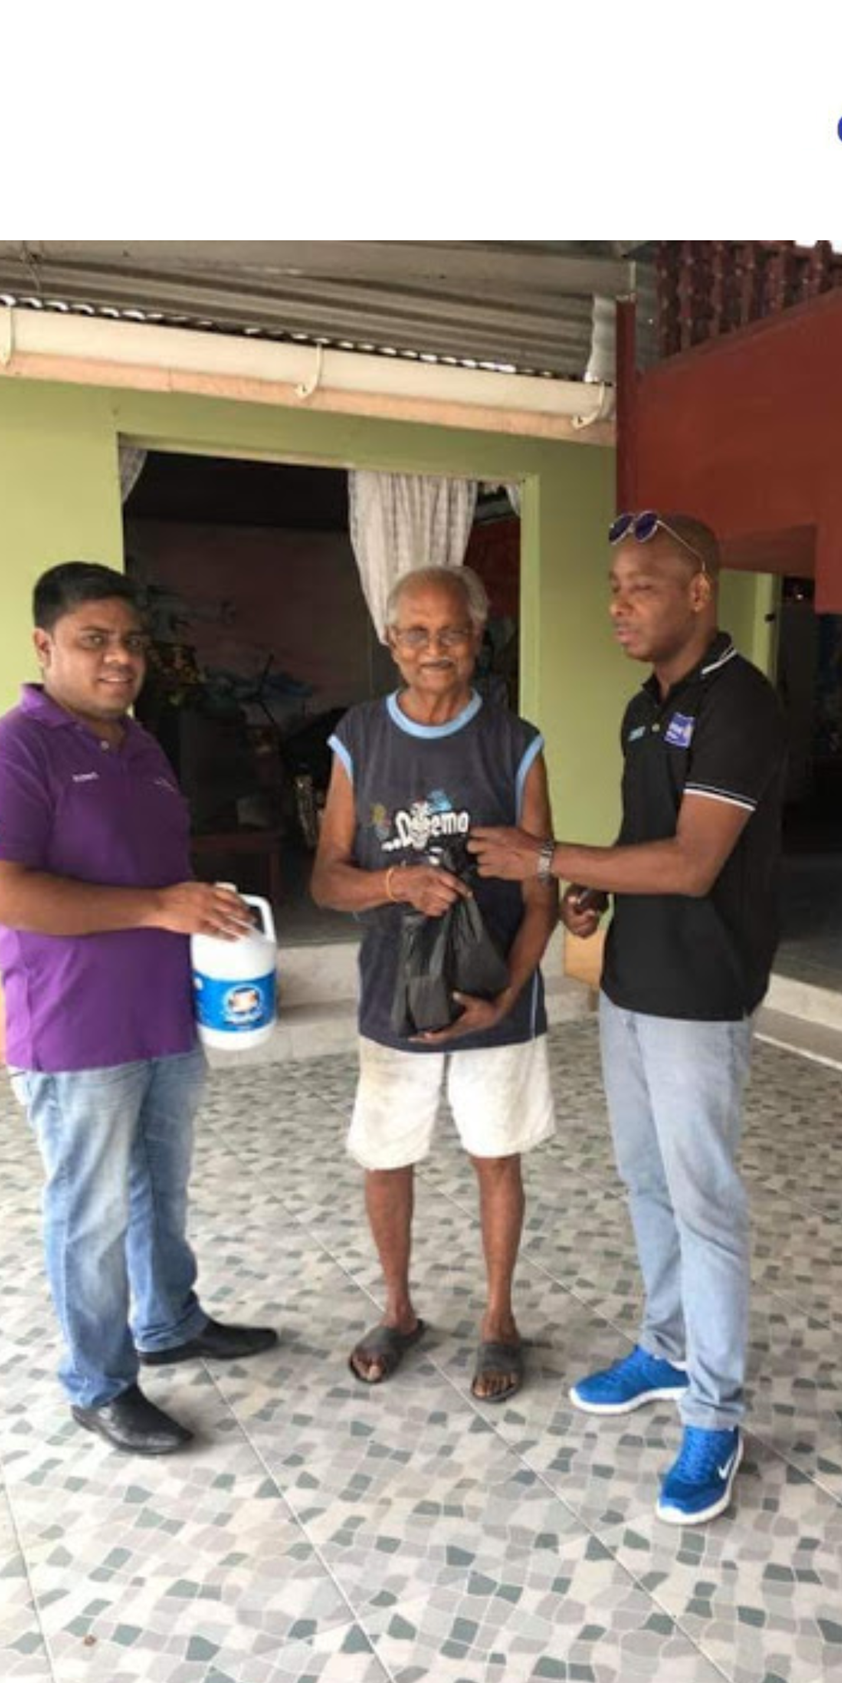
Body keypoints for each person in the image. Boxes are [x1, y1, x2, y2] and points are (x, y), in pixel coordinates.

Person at [469, 512, 783, 1524]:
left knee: (705, 1202)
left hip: (702, 993)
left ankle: (716, 1413)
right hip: (633, 982)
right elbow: (650, 838)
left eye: (641, 585)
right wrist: (595, 887)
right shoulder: (644, 708)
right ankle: (669, 1345)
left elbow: (692, 864)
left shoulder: (740, 703)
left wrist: (545, 859)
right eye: (614, 586)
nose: (619, 604)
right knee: (647, 1182)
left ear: (700, 592)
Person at [0, 561, 281, 1456]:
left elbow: (155, 876)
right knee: (91, 1212)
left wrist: (203, 915)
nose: (119, 658)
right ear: (44, 645)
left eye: (131, 641)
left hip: (163, 1017)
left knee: (158, 1188)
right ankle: (98, 1384)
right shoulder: (13, 751)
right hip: (75, 1030)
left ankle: (170, 1321)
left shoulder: (139, 747)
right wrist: (156, 907)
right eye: (93, 640)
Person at [312, 564, 559, 1402]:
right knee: (386, 1158)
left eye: (451, 631)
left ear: (478, 637)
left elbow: (542, 892)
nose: (433, 648)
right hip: (394, 993)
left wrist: (508, 995)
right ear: (390, 640)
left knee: (496, 1158)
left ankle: (498, 1320)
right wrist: (396, 884)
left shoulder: (515, 743)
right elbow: (326, 881)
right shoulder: (358, 737)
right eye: (415, 633)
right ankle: (398, 1310)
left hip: (496, 994)